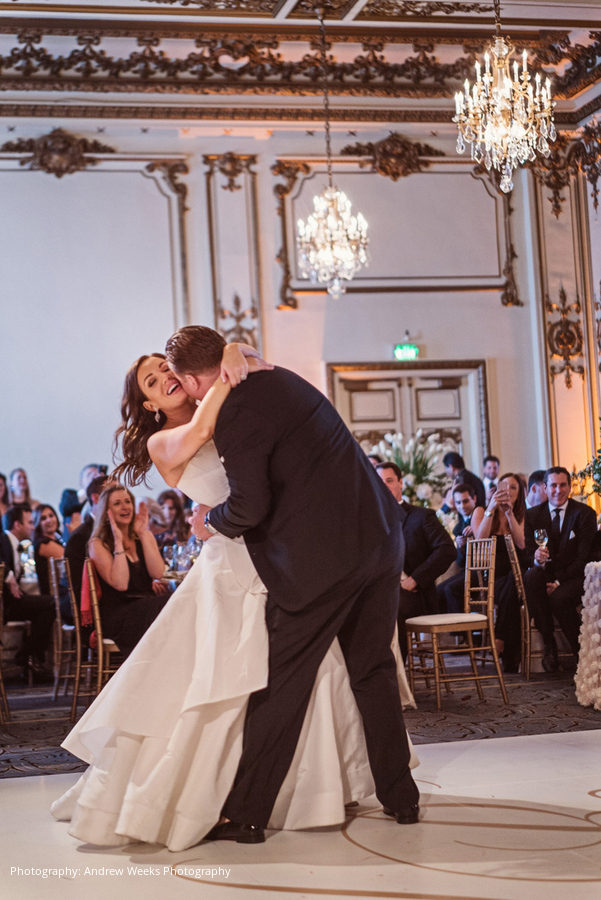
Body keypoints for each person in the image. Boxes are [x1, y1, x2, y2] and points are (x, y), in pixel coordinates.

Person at [51, 341, 418, 850]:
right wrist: (231, 361)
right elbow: (204, 433)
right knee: (247, 682)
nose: (166, 378)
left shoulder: (232, 402)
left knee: (319, 676)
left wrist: (232, 354)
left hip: (288, 554)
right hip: (243, 560)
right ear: (150, 405)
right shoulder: (166, 440)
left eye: (166, 368)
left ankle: (320, 795)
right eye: (153, 382)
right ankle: (237, 803)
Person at [170, 326, 420, 842]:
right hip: (380, 538)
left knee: (281, 684)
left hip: (323, 563)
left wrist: (209, 522)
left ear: (193, 381)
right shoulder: (279, 377)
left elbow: (249, 506)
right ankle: (402, 798)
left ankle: (246, 815)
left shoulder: (235, 413)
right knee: (373, 669)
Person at [376, 462, 456, 658]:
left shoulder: (421, 516)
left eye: (389, 481)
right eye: (379, 482)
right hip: (378, 591)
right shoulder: (368, 520)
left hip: (414, 594)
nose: (384, 486)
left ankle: (395, 670)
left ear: (400, 483)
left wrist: (415, 579)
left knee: (392, 605)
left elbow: (446, 550)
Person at [523, 466, 597, 672]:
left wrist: (558, 582)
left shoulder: (584, 514)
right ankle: (549, 643)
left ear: (569, 487)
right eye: (553, 485)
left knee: (559, 598)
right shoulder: (532, 515)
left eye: (563, 485)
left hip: (576, 576)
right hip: (544, 575)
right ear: (545, 488)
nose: (558, 490)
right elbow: (528, 553)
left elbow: (584, 557)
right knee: (532, 576)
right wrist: (536, 559)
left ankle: (582, 653)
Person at [88, 484, 170, 659]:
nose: (125, 507)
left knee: (177, 601)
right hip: (119, 615)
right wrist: (118, 542)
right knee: (169, 604)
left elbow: (157, 573)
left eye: (127, 501)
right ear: (107, 511)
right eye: (117, 503)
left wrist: (143, 533)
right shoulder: (98, 543)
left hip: (146, 606)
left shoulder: (143, 536)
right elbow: (121, 584)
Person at [471, 473, 526, 672]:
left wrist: (509, 514)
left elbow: (521, 544)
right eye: (505, 487)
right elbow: (479, 541)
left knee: (514, 581)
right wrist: (492, 509)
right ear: (497, 489)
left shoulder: (521, 514)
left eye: (513, 488)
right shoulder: (481, 511)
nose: (508, 491)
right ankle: (509, 652)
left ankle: (500, 639)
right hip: (491, 577)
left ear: (519, 494)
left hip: (518, 574)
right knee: (512, 587)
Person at [1, 504, 55, 677]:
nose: (33, 526)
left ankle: (29, 655)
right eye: (30, 522)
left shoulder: (16, 544)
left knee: (47, 607)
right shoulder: (3, 539)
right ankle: (29, 655)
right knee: (52, 603)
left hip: (11, 601)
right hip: (4, 604)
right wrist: (9, 576)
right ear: (17, 525)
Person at [62, 474, 110, 622]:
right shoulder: (81, 537)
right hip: (99, 613)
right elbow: (83, 591)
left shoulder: (118, 530)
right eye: (112, 492)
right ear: (96, 498)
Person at [437, 483, 478, 615]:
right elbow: (460, 562)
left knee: (451, 589)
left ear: (474, 499)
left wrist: (477, 529)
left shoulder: (482, 516)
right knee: (438, 591)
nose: (462, 506)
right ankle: (445, 627)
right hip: (467, 570)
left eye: (465, 501)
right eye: (458, 502)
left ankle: (462, 627)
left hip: (482, 571)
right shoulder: (458, 527)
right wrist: (461, 547)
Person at [32, 504, 65, 596]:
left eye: (51, 515)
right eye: (43, 518)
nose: (49, 520)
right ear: (38, 523)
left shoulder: (59, 538)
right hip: (52, 595)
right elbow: (68, 557)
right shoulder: (42, 543)